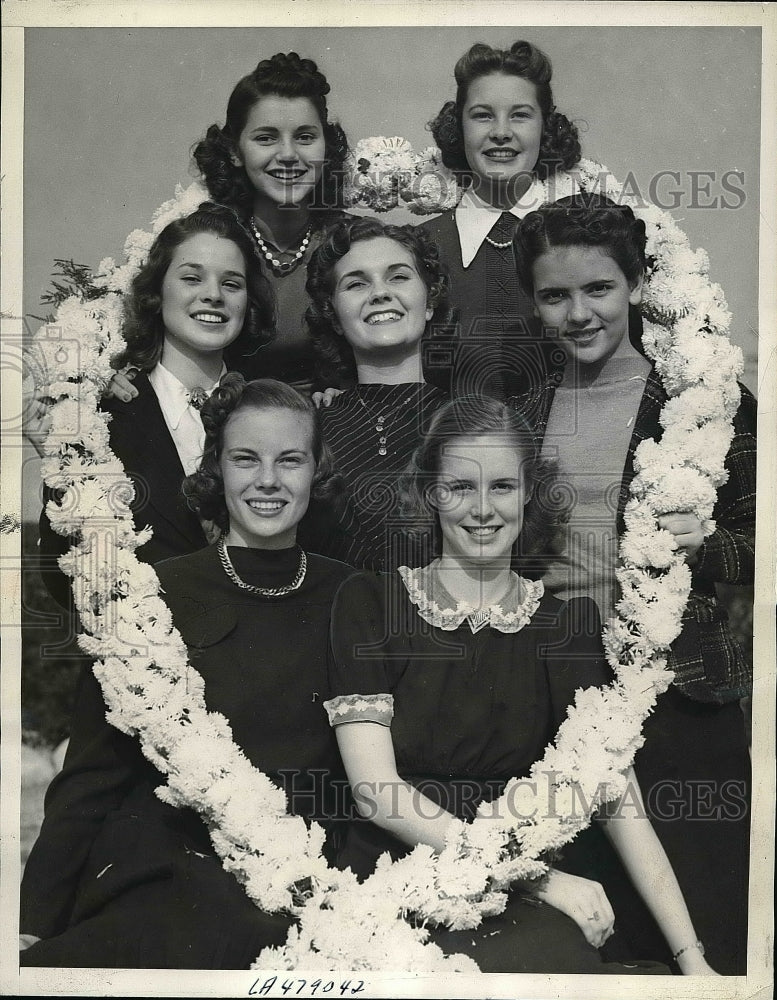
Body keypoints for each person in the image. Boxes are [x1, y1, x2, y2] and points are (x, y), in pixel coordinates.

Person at [325, 395, 717, 975]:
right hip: (400, 871)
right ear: (430, 492)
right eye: (460, 487)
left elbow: (617, 800)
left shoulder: (565, 625)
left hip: (518, 887)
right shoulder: (370, 603)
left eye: (502, 486)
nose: (482, 509)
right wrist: (538, 879)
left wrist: (692, 958)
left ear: (529, 492)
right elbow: (376, 792)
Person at [20, 377, 353, 968]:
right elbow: (92, 775)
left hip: (304, 879)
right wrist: (33, 921)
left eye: (290, 460)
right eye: (245, 459)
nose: (268, 481)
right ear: (216, 470)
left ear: (316, 472)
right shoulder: (156, 593)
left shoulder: (356, 598)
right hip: (165, 869)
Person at [511, 194, 754, 974]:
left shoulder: (704, 404)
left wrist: (713, 547)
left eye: (598, 289)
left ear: (636, 286)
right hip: (556, 691)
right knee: (595, 940)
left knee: (704, 927)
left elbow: (768, 537)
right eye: (554, 295)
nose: (577, 313)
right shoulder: (520, 410)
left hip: (677, 694)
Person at [30, 204, 275, 607]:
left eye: (232, 284)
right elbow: (63, 577)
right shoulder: (99, 415)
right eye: (192, 278)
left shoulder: (274, 409)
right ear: (157, 292)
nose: (213, 295)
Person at [419, 40, 581, 400]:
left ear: (545, 127)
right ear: (459, 127)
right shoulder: (418, 249)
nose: (501, 132)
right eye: (482, 115)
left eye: (520, 115)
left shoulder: (581, 237)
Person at [191, 51, 350, 394]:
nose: (289, 155)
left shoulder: (353, 243)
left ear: (327, 146)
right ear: (235, 151)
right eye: (266, 138)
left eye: (305, 137)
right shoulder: (210, 241)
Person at [301, 216, 450, 570]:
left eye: (398, 276)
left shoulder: (470, 423)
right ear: (334, 316)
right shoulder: (309, 428)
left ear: (429, 302)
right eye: (356, 284)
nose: (381, 293)